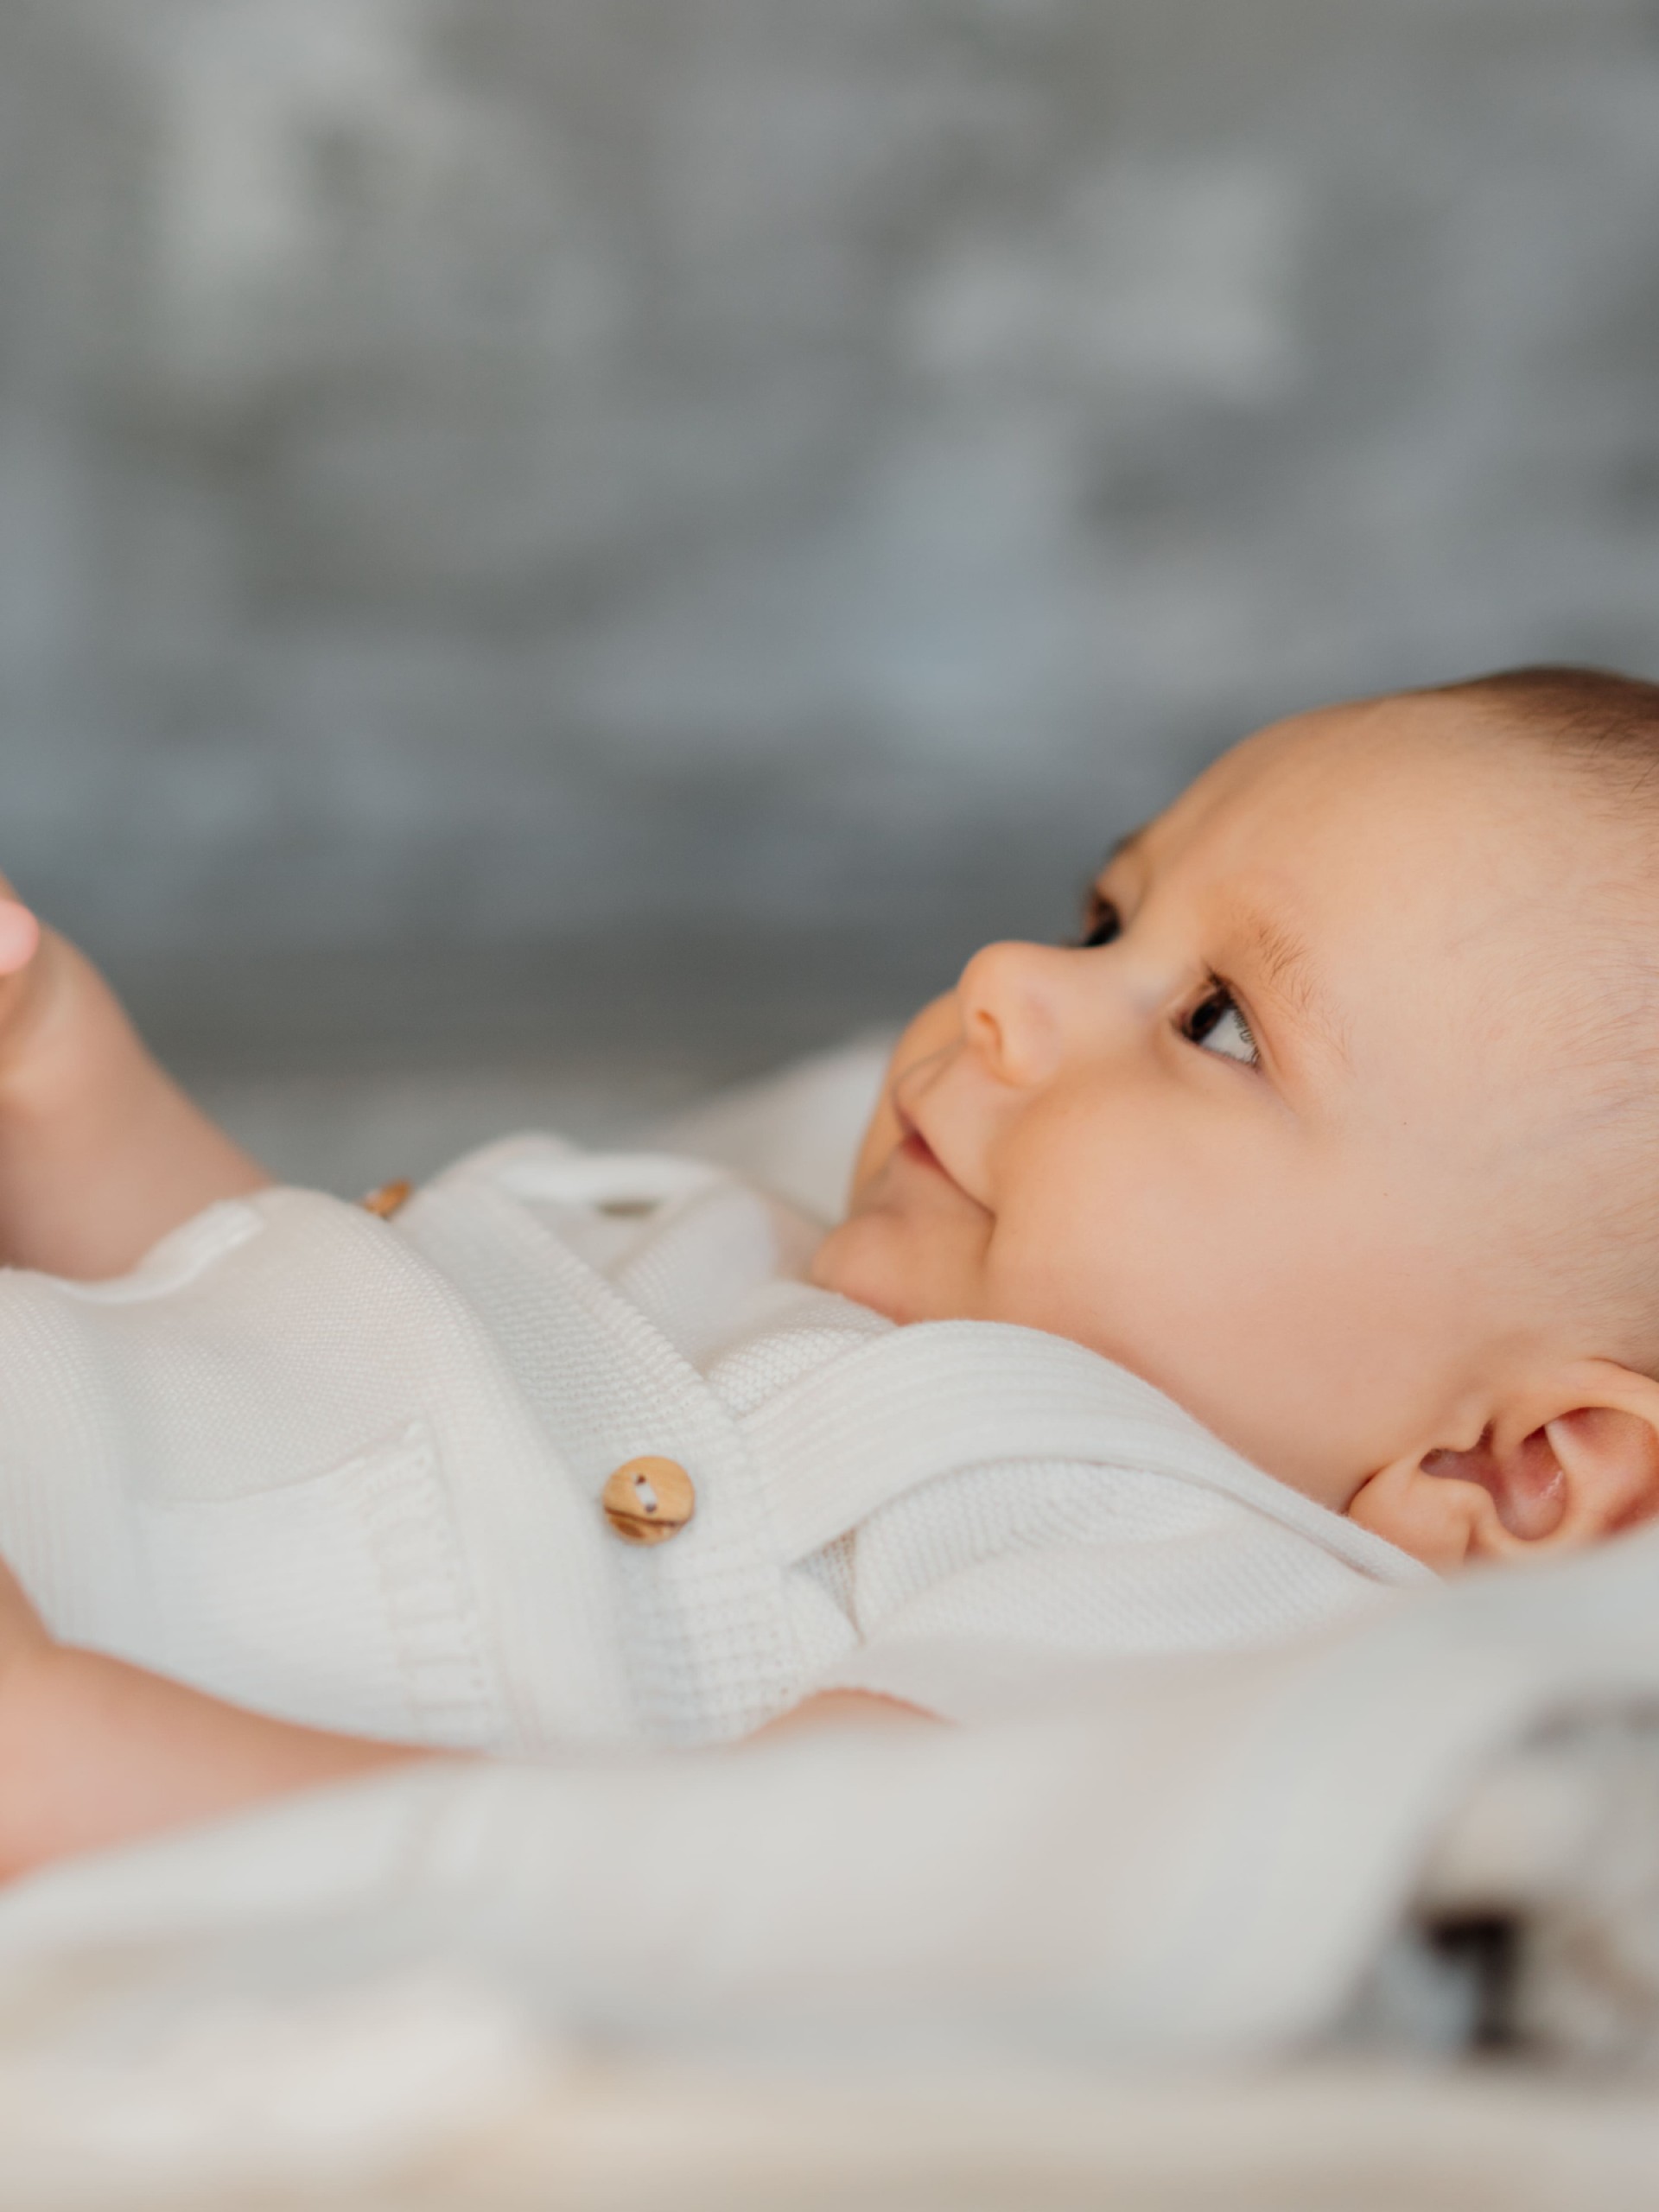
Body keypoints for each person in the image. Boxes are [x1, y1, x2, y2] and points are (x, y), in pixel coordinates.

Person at [1, 664, 1657, 1880]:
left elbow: (748, 1893)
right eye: (1103, 921)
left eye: (1218, 1024)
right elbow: (280, 1391)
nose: (1009, 978)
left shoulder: (1177, 1590)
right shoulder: (767, 1246)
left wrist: (75, 1768)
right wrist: (61, 1078)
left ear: (1507, 1469)